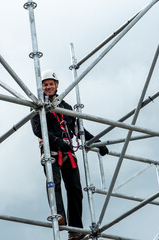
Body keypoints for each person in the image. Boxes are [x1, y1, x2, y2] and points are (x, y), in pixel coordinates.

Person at [31, 70, 109, 240]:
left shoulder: (66, 107)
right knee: (55, 182)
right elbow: (37, 130)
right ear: (41, 87)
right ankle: (59, 215)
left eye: (51, 84)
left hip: (68, 153)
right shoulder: (38, 105)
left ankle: (75, 230)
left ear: (57, 85)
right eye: (45, 84)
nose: (48, 87)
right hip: (51, 149)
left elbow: (79, 130)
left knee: (75, 190)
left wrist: (97, 142)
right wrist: (57, 141)